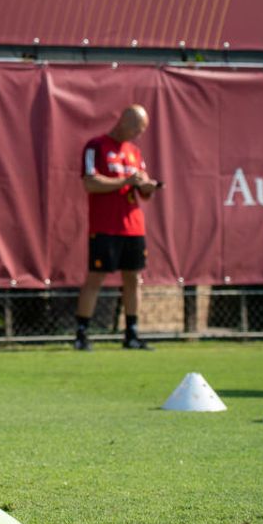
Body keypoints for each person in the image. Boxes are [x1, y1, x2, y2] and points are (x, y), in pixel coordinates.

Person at [73, 104, 160, 351]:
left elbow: (142, 190)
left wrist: (146, 187)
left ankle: (131, 333)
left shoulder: (134, 152)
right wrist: (125, 181)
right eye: (136, 127)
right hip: (105, 226)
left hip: (133, 226)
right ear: (123, 121)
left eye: (142, 129)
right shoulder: (97, 146)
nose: (138, 133)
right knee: (96, 277)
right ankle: (82, 333)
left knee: (133, 278)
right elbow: (90, 183)